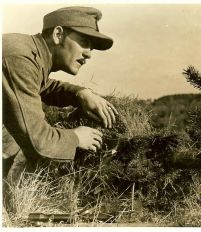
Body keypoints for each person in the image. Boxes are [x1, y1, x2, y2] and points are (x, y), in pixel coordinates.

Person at [2, 6, 119, 181]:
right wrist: (76, 138)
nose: (89, 54)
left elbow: (41, 86)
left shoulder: (29, 52)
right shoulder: (20, 59)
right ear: (58, 34)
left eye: (92, 47)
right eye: (84, 42)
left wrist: (80, 93)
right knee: (13, 143)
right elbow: (38, 141)